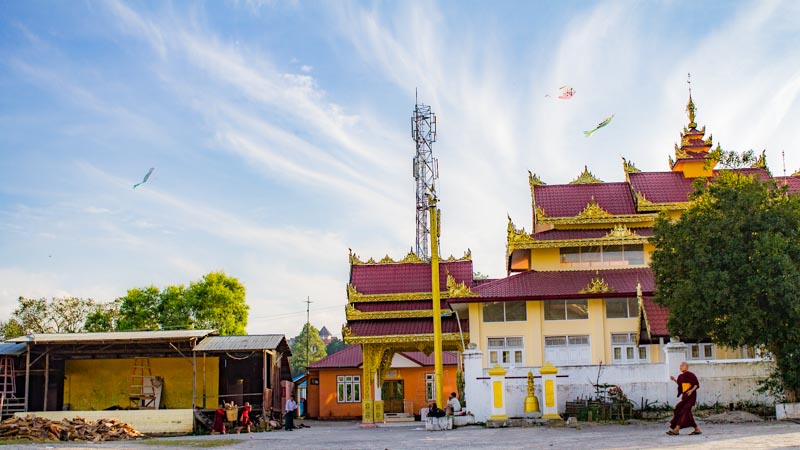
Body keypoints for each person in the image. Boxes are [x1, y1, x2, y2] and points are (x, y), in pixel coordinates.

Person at [667, 362, 702, 436]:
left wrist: (691, 391)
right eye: (680, 366)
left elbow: (696, 384)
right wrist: (674, 380)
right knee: (681, 409)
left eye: (682, 366)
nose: (681, 367)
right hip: (685, 397)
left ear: (687, 367)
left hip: (691, 397)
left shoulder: (691, 374)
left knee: (684, 411)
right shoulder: (680, 376)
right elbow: (681, 386)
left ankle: (676, 429)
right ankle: (697, 429)